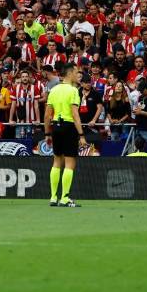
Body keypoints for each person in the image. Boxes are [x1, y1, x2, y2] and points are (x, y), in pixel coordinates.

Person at [44, 63, 86, 207]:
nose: (78, 75)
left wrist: (47, 133)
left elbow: (47, 115)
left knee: (56, 162)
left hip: (56, 126)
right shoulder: (73, 91)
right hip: (69, 127)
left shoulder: (54, 90)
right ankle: (65, 197)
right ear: (69, 73)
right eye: (76, 72)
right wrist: (81, 135)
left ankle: (53, 197)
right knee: (70, 163)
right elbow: (75, 114)